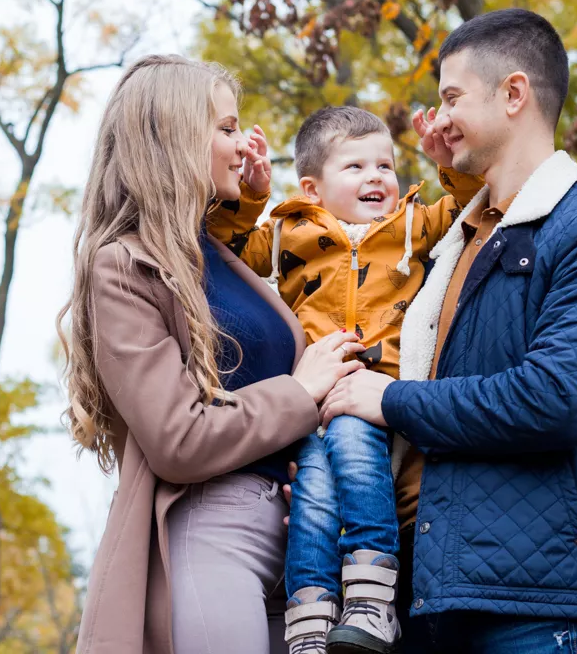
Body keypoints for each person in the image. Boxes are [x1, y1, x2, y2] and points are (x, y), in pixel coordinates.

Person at [318, 9, 577, 653]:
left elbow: (557, 397)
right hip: (423, 589)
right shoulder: (452, 242)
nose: (439, 119)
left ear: (513, 94)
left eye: (452, 98)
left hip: (533, 599)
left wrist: (389, 401)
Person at [60, 55, 368, 654]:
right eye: (227, 128)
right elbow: (178, 438)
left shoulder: (220, 257)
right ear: (177, 139)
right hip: (213, 531)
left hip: (299, 542)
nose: (244, 144)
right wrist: (299, 392)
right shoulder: (123, 266)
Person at [204, 105, 482, 654]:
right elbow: (227, 246)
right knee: (312, 494)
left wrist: (447, 159)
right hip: (311, 394)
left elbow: (467, 205)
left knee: (355, 457)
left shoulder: (411, 225)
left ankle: (373, 596)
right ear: (312, 187)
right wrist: (253, 195)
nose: (375, 177)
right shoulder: (289, 232)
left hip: (372, 387)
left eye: (384, 165)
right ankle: (310, 616)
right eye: (355, 167)